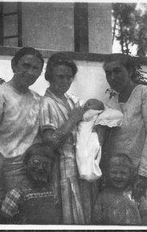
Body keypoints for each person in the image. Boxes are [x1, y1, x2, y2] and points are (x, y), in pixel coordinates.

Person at [102, 53, 147, 225]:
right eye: (108, 73)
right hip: (123, 174)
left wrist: (143, 175)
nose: (112, 77)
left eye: (117, 71)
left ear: (130, 70)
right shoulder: (112, 102)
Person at [39, 53, 99, 224]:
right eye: (60, 76)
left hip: (82, 167)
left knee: (85, 215)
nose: (64, 81)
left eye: (69, 77)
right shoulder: (47, 103)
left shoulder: (73, 100)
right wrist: (73, 120)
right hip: (62, 171)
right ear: (49, 76)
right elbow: (49, 142)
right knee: (68, 217)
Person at [0, 47, 44, 191]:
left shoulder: (39, 100)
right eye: (25, 65)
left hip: (33, 174)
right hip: (3, 175)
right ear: (14, 65)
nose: (30, 72)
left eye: (36, 68)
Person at [0, 143, 62, 224]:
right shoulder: (17, 193)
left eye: (46, 164)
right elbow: (3, 221)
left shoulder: (52, 191)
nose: (40, 168)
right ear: (26, 164)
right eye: (36, 162)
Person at [92, 154, 147, 225]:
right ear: (108, 172)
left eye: (123, 173)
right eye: (114, 172)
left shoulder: (135, 193)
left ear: (130, 174)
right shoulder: (103, 195)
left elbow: (145, 213)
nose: (118, 176)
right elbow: (96, 216)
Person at [76, 99, 123, 182]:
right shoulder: (94, 114)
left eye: (89, 104)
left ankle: (86, 172)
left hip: (87, 135)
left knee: (83, 153)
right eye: (86, 103)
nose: (86, 105)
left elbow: (80, 117)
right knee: (87, 154)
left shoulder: (91, 113)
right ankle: (88, 171)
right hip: (88, 133)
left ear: (97, 109)